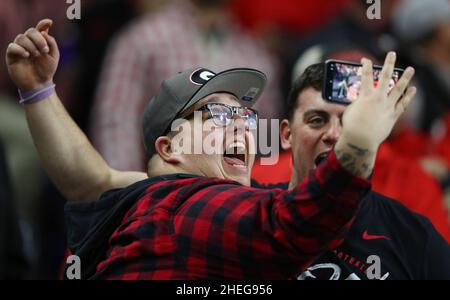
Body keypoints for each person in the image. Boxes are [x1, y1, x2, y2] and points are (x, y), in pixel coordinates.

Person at [6, 20, 415, 279]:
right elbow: (301, 224)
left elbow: (92, 179)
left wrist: (38, 90)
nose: (242, 125)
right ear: (169, 147)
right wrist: (360, 138)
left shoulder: (144, 198)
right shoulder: (185, 203)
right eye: (218, 114)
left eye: (248, 117)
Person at [267, 63, 450, 279]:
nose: (334, 134)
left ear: (376, 132)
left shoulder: (413, 236)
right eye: (317, 120)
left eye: (350, 122)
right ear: (287, 135)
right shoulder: (254, 216)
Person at [89, 0, 283, 172]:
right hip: (154, 195)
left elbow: (265, 142)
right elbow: (116, 123)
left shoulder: (257, 56)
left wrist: (256, 199)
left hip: (234, 198)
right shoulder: (142, 39)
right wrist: (129, 196)